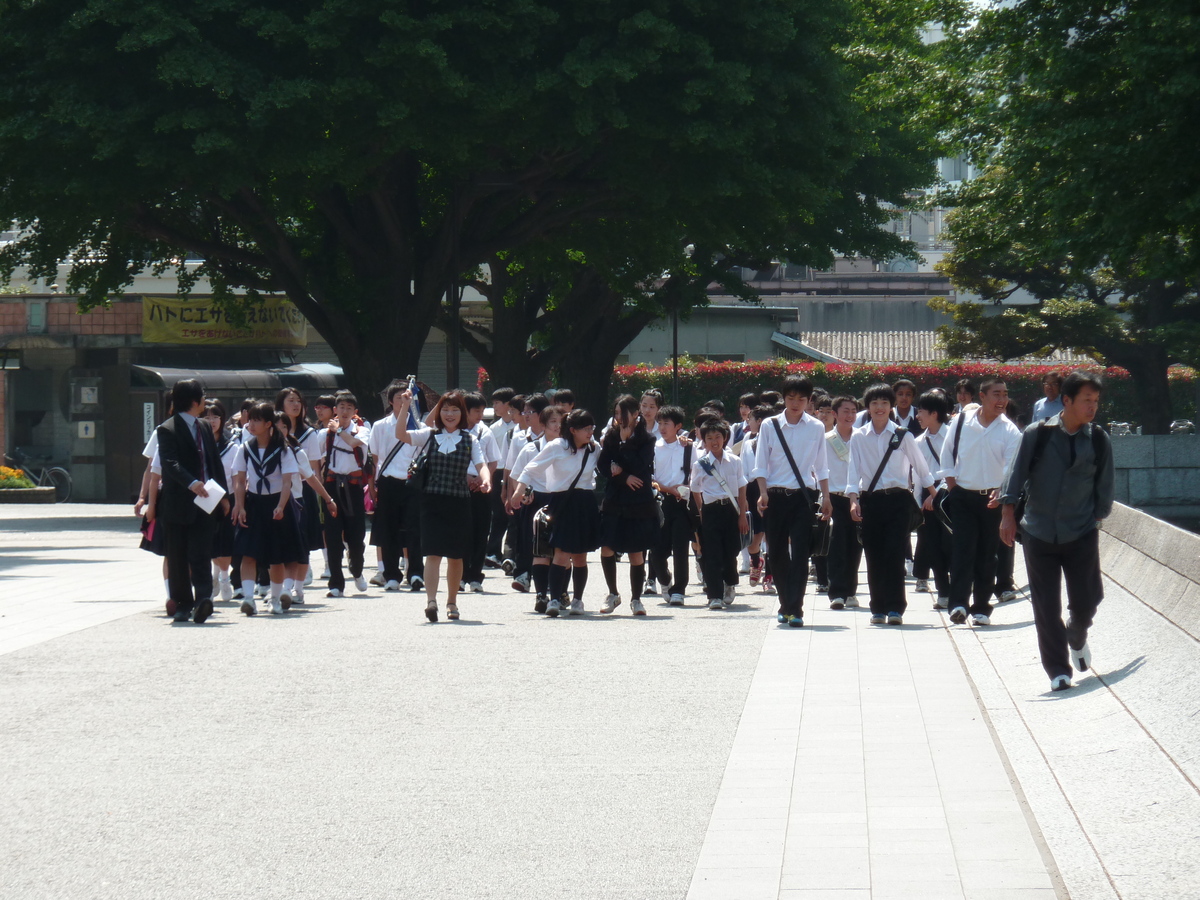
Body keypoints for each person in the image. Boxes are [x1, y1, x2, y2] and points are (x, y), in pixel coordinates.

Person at [1000, 371, 1114, 691]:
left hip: (1081, 531)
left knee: (1088, 599)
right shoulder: (1038, 434)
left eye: (1096, 401)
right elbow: (1015, 476)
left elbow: (1105, 486)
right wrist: (1008, 516)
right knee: (1045, 605)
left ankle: (1077, 633)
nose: (1092, 407)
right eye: (1086, 400)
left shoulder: (1098, 439)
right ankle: (1057, 670)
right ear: (1067, 401)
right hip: (1038, 532)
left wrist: (1096, 517)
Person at [397, 389, 490, 622]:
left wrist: (486, 479)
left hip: (459, 502)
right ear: (439, 412)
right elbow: (400, 434)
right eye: (445, 409)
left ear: (462, 413)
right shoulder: (429, 434)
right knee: (433, 554)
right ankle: (431, 601)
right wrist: (405, 407)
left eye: (455, 410)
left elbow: (481, 464)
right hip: (432, 501)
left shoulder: (471, 439)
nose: (449, 414)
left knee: (457, 556)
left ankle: (452, 602)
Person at [937, 377, 1023, 626]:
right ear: (982, 397)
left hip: (993, 501)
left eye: (1005, 394)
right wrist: (953, 488)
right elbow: (947, 454)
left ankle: (982, 608)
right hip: (963, 495)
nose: (1002, 400)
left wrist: (1002, 491)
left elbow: (1011, 467)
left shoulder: (1010, 431)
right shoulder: (962, 421)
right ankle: (958, 605)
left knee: (987, 555)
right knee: (963, 551)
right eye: (996, 394)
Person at [846, 384, 935, 625]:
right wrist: (853, 500)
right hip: (870, 500)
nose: (879, 408)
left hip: (898, 500)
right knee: (873, 554)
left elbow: (920, 466)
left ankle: (896, 608)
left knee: (895, 553)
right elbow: (853, 470)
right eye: (874, 403)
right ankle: (877, 608)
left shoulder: (902, 434)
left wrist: (932, 492)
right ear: (868, 407)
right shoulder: (858, 436)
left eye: (884, 403)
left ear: (891, 406)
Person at [751, 375, 832, 628]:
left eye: (801, 398)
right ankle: (786, 603)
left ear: (810, 401)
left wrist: (826, 496)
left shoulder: (816, 427)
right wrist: (762, 492)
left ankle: (795, 609)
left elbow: (821, 466)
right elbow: (760, 463)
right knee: (775, 553)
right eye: (790, 398)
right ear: (783, 398)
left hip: (803, 498)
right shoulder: (769, 425)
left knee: (800, 554)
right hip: (774, 497)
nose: (796, 403)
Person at [510, 409, 601, 618]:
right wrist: (518, 491)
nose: (589, 432)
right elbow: (530, 469)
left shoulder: (594, 449)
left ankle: (578, 599)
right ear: (573, 430)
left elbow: (610, 460)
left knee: (580, 556)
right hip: (562, 502)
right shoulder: (557, 446)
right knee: (560, 554)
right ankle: (554, 599)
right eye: (585, 428)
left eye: (591, 428)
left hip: (585, 502)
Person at [155, 379, 229, 624]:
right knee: (177, 556)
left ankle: (203, 599)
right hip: (178, 503)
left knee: (201, 551)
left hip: (207, 502)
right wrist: (191, 482)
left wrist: (224, 496)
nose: (205, 402)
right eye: (203, 398)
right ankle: (183, 604)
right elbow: (170, 462)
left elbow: (213, 463)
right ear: (195, 401)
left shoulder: (205, 427)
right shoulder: (167, 429)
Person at [231, 402, 304, 616]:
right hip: (253, 503)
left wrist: (281, 506)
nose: (251, 424)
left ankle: (274, 599)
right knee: (248, 553)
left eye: (256, 420)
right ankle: (247, 599)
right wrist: (240, 505)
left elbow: (286, 482)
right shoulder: (245, 448)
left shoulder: (283, 450)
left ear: (268, 424)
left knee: (276, 555)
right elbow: (239, 479)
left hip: (276, 504)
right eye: (250, 419)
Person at [597, 395, 659, 616]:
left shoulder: (647, 439)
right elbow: (604, 465)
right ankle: (613, 593)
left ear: (635, 414)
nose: (619, 418)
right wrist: (623, 476)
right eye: (615, 413)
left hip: (638, 500)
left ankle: (636, 598)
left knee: (636, 552)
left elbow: (640, 465)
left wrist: (625, 446)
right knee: (607, 547)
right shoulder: (611, 435)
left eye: (623, 414)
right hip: (615, 498)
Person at [367, 381, 426, 593]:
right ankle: (391, 574)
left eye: (407, 397)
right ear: (391, 401)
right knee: (389, 529)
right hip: (388, 481)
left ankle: (416, 573)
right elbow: (374, 458)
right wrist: (372, 485)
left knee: (414, 529)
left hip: (412, 481)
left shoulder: (419, 425)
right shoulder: (380, 426)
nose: (404, 401)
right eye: (399, 398)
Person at [507, 405, 565, 612]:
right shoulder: (531, 448)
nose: (558, 426)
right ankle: (541, 593)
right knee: (539, 548)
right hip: (537, 500)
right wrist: (522, 494)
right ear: (543, 425)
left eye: (561, 422)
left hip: (562, 499)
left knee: (562, 549)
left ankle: (561, 592)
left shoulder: (570, 448)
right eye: (553, 422)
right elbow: (517, 475)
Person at [277, 415, 338, 605]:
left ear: (288, 429)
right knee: (278, 550)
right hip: (271, 503)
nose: (278, 431)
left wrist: (328, 499)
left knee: (300, 549)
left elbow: (311, 478)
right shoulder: (261, 451)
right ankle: (279, 589)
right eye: (274, 427)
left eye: (283, 427)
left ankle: (297, 589)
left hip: (296, 504)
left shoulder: (296, 452)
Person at [690, 419, 750, 610]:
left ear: (725, 438)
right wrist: (701, 510)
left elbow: (742, 488)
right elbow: (695, 489)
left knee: (731, 551)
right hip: (711, 511)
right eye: (709, 438)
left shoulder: (735, 461)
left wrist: (742, 515)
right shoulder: (700, 464)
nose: (714, 441)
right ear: (704, 440)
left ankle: (730, 583)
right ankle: (714, 595)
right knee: (712, 553)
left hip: (731, 511)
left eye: (718, 437)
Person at [322, 390, 372, 598]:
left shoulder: (362, 431)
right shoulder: (323, 434)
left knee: (356, 534)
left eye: (349, 408)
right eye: (341, 407)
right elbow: (318, 462)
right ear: (335, 410)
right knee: (333, 536)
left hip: (353, 486)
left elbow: (354, 444)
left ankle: (357, 570)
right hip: (332, 485)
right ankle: (336, 583)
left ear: (355, 412)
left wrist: (339, 430)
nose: (344, 411)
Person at [912, 390, 953, 609]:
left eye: (921, 411)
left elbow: (957, 468)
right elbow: (918, 475)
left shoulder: (952, 436)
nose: (917, 415)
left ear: (934, 413)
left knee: (952, 545)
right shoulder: (918, 441)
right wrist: (919, 504)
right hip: (927, 496)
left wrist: (940, 493)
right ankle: (943, 592)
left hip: (949, 494)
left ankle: (957, 590)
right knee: (932, 546)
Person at [650, 406, 694, 606]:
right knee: (657, 550)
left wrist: (686, 487)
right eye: (660, 423)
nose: (661, 427)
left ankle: (679, 590)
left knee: (681, 547)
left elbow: (698, 474)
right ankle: (665, 579)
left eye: (666, 423)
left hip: (682, 502)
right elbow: (650, 478)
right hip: (660, 501)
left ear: (678, 426)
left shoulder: (688, 447)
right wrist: (668, 489)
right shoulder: (653, 447)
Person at [824, 396, 862, 610]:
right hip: (834, 498)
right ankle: (836, 592)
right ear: (835, 414)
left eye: (853, 411)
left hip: (857, 498)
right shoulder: (825, 439)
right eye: (845, 411)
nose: (850, 416)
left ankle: (851, 591)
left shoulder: (862, 438)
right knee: (836, 546)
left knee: (855, 546)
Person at [463, 391, 503, 591]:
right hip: (459, 486)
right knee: (462, 532)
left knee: (480, 531)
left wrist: (482, 478)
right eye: (475, 411)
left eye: (481, 410)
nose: (479, 415)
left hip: (482, 487)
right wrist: (466, 477)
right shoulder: (454, 431)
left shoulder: (484, 432)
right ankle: (461, 575)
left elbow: (493, 460)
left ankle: (476, 576)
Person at [485, 387, 518, 569]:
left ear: (508, 404)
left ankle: (510, 553)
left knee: (512, 515)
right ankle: (492, 551)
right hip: (497, 472)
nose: (495, 406)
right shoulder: (494, 428)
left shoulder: (518, 427)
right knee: (497, 513)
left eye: (498, 402)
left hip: (514, 472)